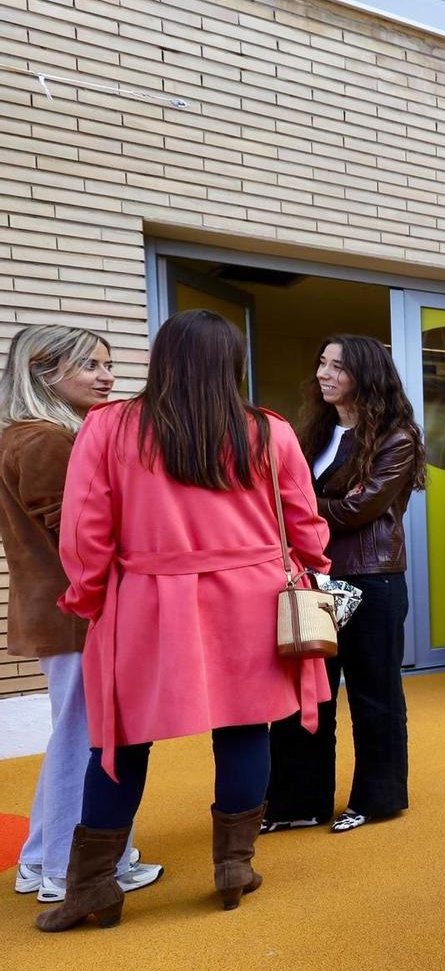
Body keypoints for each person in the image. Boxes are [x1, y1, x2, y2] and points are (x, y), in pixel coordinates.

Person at [38, 309, 333, 931]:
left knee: (120, 740)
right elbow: (303, 521)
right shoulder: (268, 431)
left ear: (161, 358)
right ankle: (233, 868)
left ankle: (91, 887)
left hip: (146, 600)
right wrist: (315, 562)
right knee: (247, 729)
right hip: (252, 599)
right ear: (233, 364)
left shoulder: (110, 427)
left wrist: (89, 597)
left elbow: (86, 532)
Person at [1, 326, 164, 904]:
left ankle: (43, 859)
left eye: (107, 363)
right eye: (90, 365)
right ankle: (72, 868)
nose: (107, 376)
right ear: (46, 373)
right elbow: (74, 533)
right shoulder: (47, 441)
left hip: (54, 611)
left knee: (73, 735)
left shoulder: (25, 436)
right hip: (75, 613)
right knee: (88, 739)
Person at [266, 334, 423, 835]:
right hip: (314, 576)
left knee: (375, 694)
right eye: (322, 363)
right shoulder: (313, 432)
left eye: (338, 366)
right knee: (307, 694)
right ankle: (298, 803)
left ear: (366, 375)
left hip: (372, 579)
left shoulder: (397, 438)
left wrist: (301, 509)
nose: (324, 373)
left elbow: (360, 509)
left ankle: (378, 799)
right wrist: (314, 507)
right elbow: (295, 496)